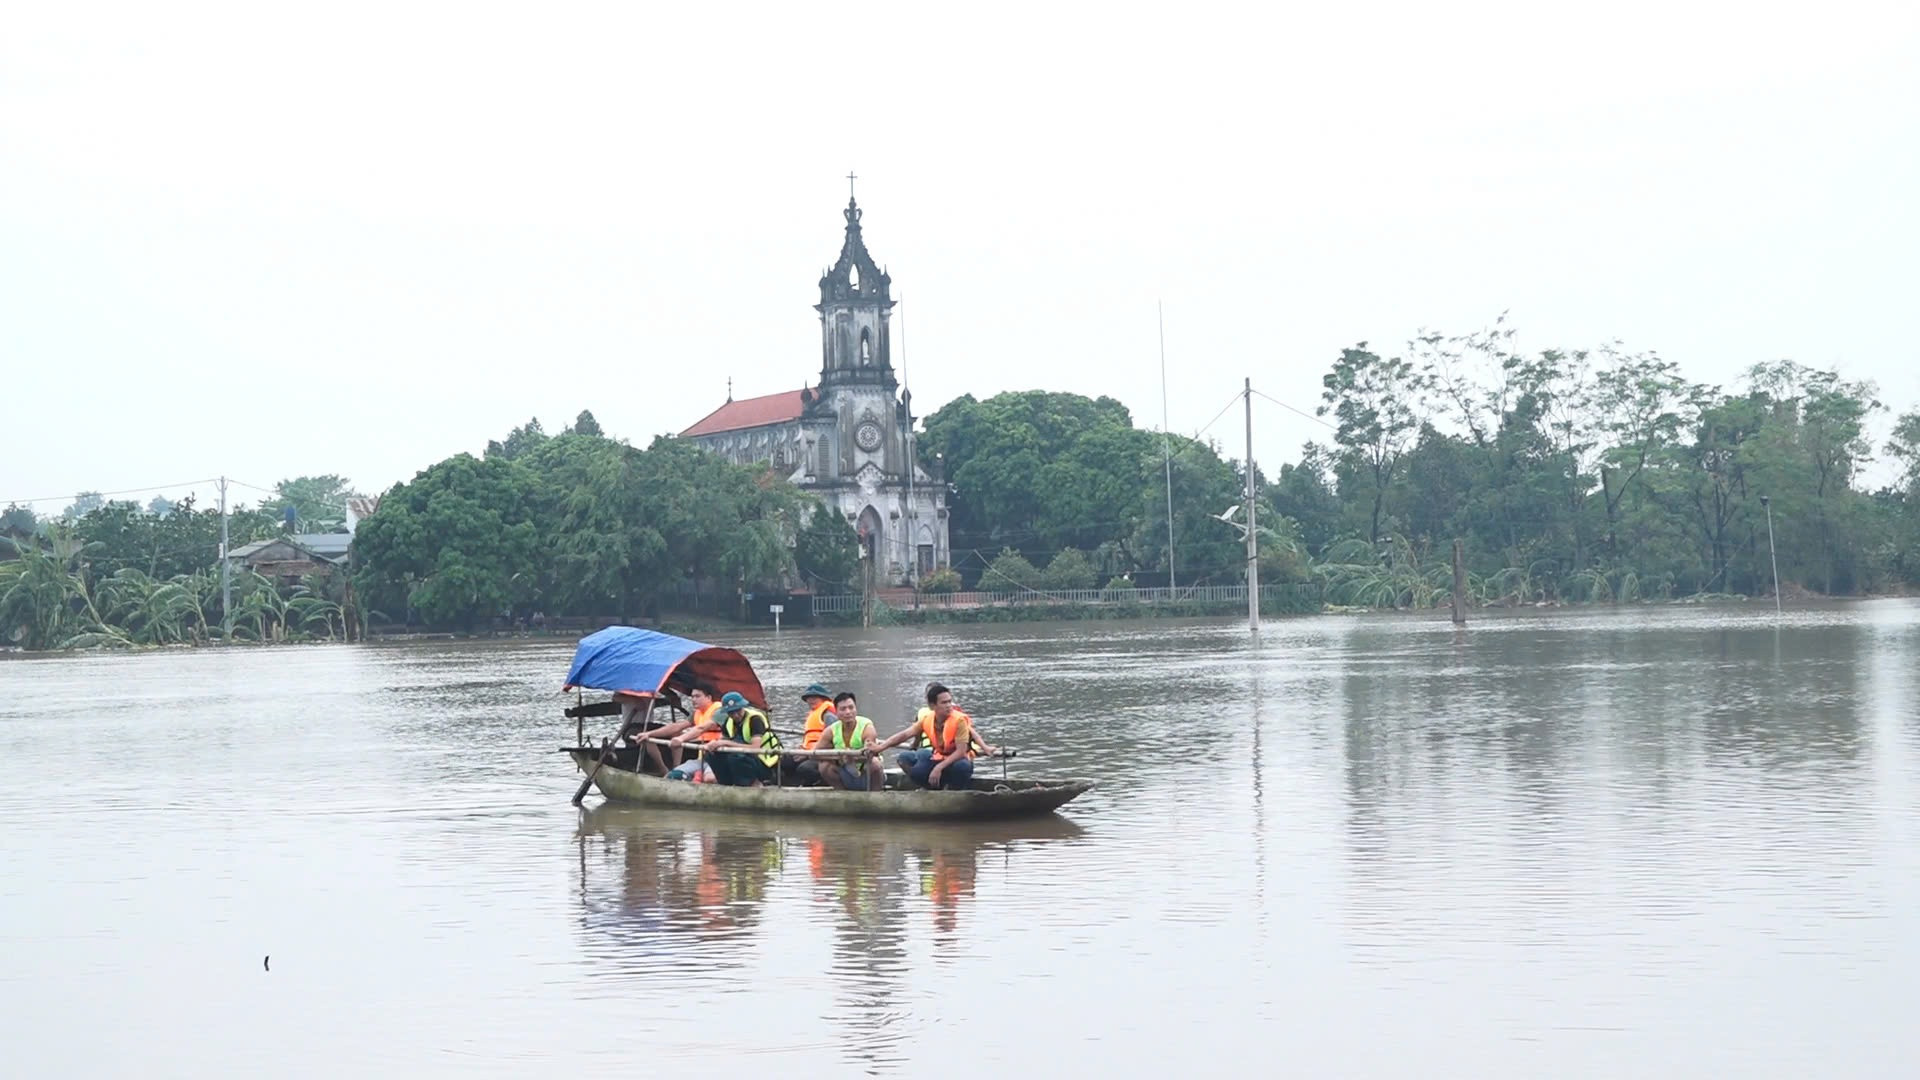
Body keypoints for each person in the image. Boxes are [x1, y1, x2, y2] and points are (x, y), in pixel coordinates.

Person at [873, 683, 996, 790]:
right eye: (944, 703)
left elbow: (961, 752)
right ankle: (932, 788)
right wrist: (880, 748)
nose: (949, 706)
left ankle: (953, 790)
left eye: (949, 701)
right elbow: (904, 735)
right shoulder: (927, 719)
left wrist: (938, 768)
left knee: (962, 766)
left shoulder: (959, 721)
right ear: (933, 706)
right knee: (905, 758)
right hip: (938, 758)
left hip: (956, 761)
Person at [672, 692, 780, 787]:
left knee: (737, 757)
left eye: (738, 711)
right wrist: (715, 744)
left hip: (765, 763)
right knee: (711, 754)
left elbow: (755, 747)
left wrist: (725, 742)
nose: (735, 715)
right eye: (731, 712)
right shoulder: (728, 722)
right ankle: (726, 783)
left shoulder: (755, 719)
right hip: (746, 758)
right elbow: (723, 741)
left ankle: (751, 783)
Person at [631, 682, 721, 773]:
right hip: (703, 756)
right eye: (692, 697)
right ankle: (672, 771)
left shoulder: (719, 710)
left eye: (697, 696)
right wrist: (649, 734)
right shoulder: (697, 713)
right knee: (676, 774)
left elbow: (701, 729)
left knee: (709, 778)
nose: (693, 700)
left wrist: (680, 739)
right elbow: (677, 726)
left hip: (720, 755)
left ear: (709, 698)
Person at [816, 692, 884, 791]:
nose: (848, 712)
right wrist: (837, 758)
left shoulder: (867, 726)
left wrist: (852, 757)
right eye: (843, 709)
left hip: (865, 773)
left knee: (875, 763)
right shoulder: (831, 730)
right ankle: (842, 793)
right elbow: (815, 753)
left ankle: (876, 795)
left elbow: (870, 753)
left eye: (851, 708)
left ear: (856, 709)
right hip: (845, 771)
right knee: (823, 766)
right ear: (836, 712)